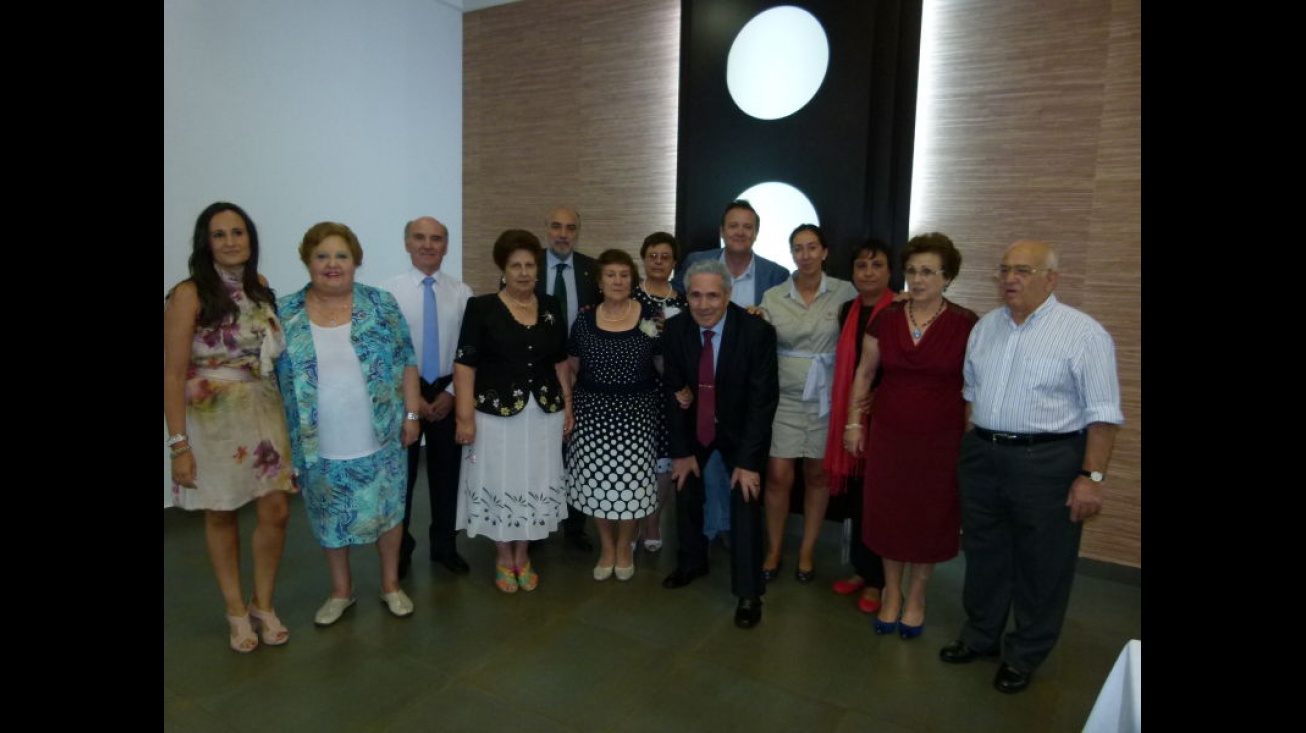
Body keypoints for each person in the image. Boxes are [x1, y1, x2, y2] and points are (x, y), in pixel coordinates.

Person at [938, 240, 1123, 694]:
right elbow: (970, 395)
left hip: (1048, 462)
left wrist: (1091, 478)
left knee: (1044, 564)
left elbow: (1103, 415)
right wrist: (972, 446)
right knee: (984, 553)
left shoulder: (1084, 334)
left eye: (1022, 270)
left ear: (1050, 279)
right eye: (1004, 270)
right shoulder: (986, 329)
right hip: (984, 455)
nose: (1009, 279)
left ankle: (1024, 653)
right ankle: (981, 636)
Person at [164, 202, 296, 653]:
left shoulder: (261, 288)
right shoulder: (188, 293)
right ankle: (236, 610)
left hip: (263, 408)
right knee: (221, 511)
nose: (230, 241)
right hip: (213, 417)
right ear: (206, 242)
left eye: (238, 232)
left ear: (250, 239)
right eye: (219, 234)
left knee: (276, 511)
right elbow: (171, 373)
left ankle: (264, 603)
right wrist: (178, 444)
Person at [277, 222, 422, 626]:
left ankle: (391, 584)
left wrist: (412, 415)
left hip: (382, 432)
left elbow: (408, 361)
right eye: (322, 256)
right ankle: (341, 591)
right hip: (316, 440)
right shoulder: (285, 312)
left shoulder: (381, 304)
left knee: (389, 512)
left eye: (341, 255)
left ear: (356, 260)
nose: (332, 264)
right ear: (308, 261)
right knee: (329, 516)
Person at [844, 233, 978, 641]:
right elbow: (864, 373)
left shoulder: (966, 324)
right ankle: (892, 592)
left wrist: (971, 441)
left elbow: (974, 388)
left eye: (928, 272)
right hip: (889, 433)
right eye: (912, 271)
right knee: (889, 513)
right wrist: (853, 423)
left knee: (929, 516)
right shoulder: (886, 318)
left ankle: (917, 596)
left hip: (941, 439)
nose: (918, 280)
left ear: (947, 277)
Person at [661, 258, 779, 630]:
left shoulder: (756, 332)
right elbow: (674, 393)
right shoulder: (677, 329)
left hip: (740, 432)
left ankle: (749, 591)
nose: (704, 304)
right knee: (687, 491)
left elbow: (763, 402)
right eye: (695, 295)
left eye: (713, 295)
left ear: (728, 295)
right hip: (695, 427)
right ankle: (692, 562)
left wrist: (748, 461)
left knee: (745, 502)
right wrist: (680, 451)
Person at [455, 229, 574, 593]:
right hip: (495, 415)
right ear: (503, 269)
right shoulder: (482, 307)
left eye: (529, 265)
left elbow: (559, 363)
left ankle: (524, 552)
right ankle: (503, 554)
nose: (523, 272)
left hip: (544, 414)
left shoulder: (552, 306)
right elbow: (465, 366)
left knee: (535, 479)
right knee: (501, 478)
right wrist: (464, 418)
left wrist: (568, 407)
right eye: (515, 265)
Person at [671, 200, 789, 551]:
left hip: (741, 392)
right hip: (702, 388)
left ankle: (739, 551)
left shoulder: (775, 274)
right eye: (733, 225)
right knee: (696, 481)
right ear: (722, 230)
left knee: (741, 480)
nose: (739, 232)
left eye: (747, 226)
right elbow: (684, 322)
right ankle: (703, 544)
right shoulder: (696, 263)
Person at [757, 224, 856, 585]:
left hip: (827, 399)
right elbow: (758, 338)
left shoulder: (846, 291)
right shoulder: (774, 295)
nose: (805, 255)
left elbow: (872, 320)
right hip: (784, 396)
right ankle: (774, 548)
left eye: (812, 247)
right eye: (798, 249)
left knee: (818, 475)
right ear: (792, 254)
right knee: (779, 475)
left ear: (825, 251)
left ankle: (807, 551)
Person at [381, 217, 474, 579]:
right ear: (407, 243)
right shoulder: (387, 293)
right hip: (407, 393)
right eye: (419, 238)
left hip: (449, 390)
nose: (428, 245)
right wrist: (412, 398)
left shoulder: (462, 292)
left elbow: (469, 349)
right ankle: (401, 547)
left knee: (447, 474)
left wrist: (452, 393)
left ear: (446, 246)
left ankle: (445, 546)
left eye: (436, 239)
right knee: (402, 479)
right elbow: (385, 352)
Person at [565, 249, 663, 581]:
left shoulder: (651, 315)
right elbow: (573, 365)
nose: (618, 281)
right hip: (593, 415)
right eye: (611, 275)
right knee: (597, 484)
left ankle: (625, 546)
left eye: (624, 274)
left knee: (632, 486)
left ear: (632, 280)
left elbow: (663, 363)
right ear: (600, 280)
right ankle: (606, 546)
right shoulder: (584, 319)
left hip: (637, 415)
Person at [824, 239, 897, 615]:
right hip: (850, 414)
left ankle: (879, 579)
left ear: (889, 271)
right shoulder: (846, 311)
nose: (868, 273)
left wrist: (878, 395)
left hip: (885, 417)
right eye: (861, 266)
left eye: (877, 265)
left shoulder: (900, 310)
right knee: (854, 497)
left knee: (877, 499)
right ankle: (860, 568)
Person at [536, 205, 600, 552]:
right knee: (543, 451)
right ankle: (539, 521)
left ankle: (575, 526)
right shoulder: (527, 266)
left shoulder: (592, 270)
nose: (563, 234)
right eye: (556, 226)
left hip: (581, 375)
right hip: (538, 375)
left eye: (570, 228)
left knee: (578, 451)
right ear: (545, 227)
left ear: (578, 231)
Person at [631, 231, 688, 553]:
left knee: (664, 460)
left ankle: (653, 520)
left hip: (671, 391)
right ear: (643, 257)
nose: (658, 262)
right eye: (653, 255)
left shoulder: (682, 300)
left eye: (665, 257)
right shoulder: (630, 298)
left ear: (674, 262)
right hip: (636, 389)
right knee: (639, 457)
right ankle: (633, 518)